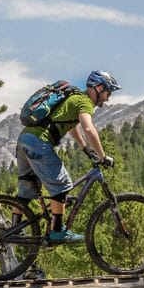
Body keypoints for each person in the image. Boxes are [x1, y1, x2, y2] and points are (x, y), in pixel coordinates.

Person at [15, 70, 119, 243]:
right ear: (99, 88)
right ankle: (57, 231)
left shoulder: (74, 98)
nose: (107, 98)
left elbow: (72, 127)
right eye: (108, 92)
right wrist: (102, 156)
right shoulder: (84, 101)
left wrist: (85, 148)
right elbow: (88, 129)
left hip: (24, 139)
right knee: (62, 183)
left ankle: (14, 228)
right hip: (38, 142)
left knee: (28, 187)